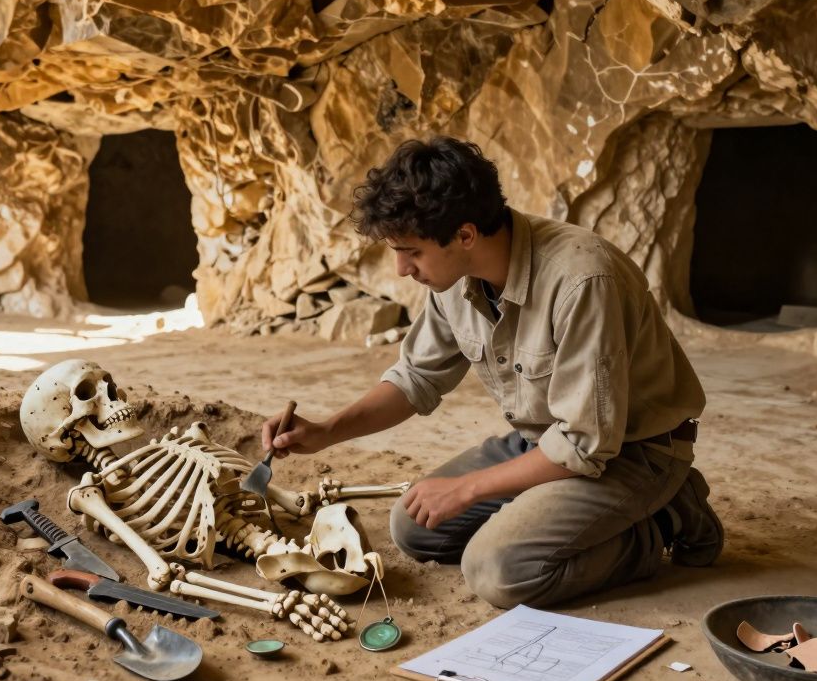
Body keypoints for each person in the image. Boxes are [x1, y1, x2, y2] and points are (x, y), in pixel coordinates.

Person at [262, 136, 722, 608]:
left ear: (465, 235)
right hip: (545, 444)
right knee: (414, 528)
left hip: (632, 452)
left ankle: (667, 520)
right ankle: (572, 518)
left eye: (411, 252)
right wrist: (325, 430)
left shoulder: (583, 280)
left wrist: (467, 489)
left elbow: (585, 446)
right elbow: (415, 378)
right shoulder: (453, 276)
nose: (402, 269)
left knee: (499, 570)